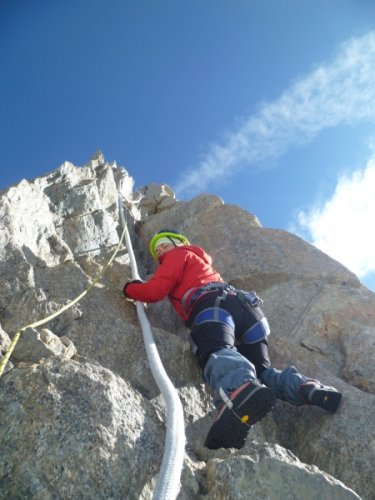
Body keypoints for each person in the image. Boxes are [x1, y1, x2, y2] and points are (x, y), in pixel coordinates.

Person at [123, 230, 342, 450]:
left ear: (179, 243)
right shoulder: (202, 263)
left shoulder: (180, 255)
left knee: (215, 349)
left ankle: (236, 393)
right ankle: (306, 388)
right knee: (262, 371)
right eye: (156, 250)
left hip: (213, 307)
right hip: (247, 311)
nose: (159, 251)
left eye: (163, 245)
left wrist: (129, 288)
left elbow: (154, 290)